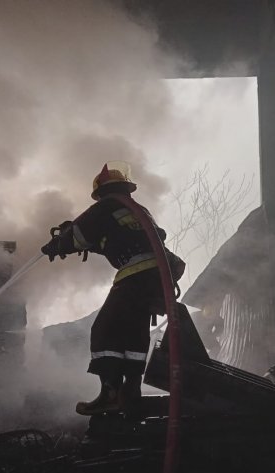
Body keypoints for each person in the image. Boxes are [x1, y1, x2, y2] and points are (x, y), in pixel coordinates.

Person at [41, 161, 184, 416]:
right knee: (133, 335)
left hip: (135, 276)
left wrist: (57, 245)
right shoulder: (136, 210)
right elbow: (112, 240)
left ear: (100, 192)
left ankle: (109, 392)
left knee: (104, 330)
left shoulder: (104, 207)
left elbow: (79, 236)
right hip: (156, 278)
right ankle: (129, 393)